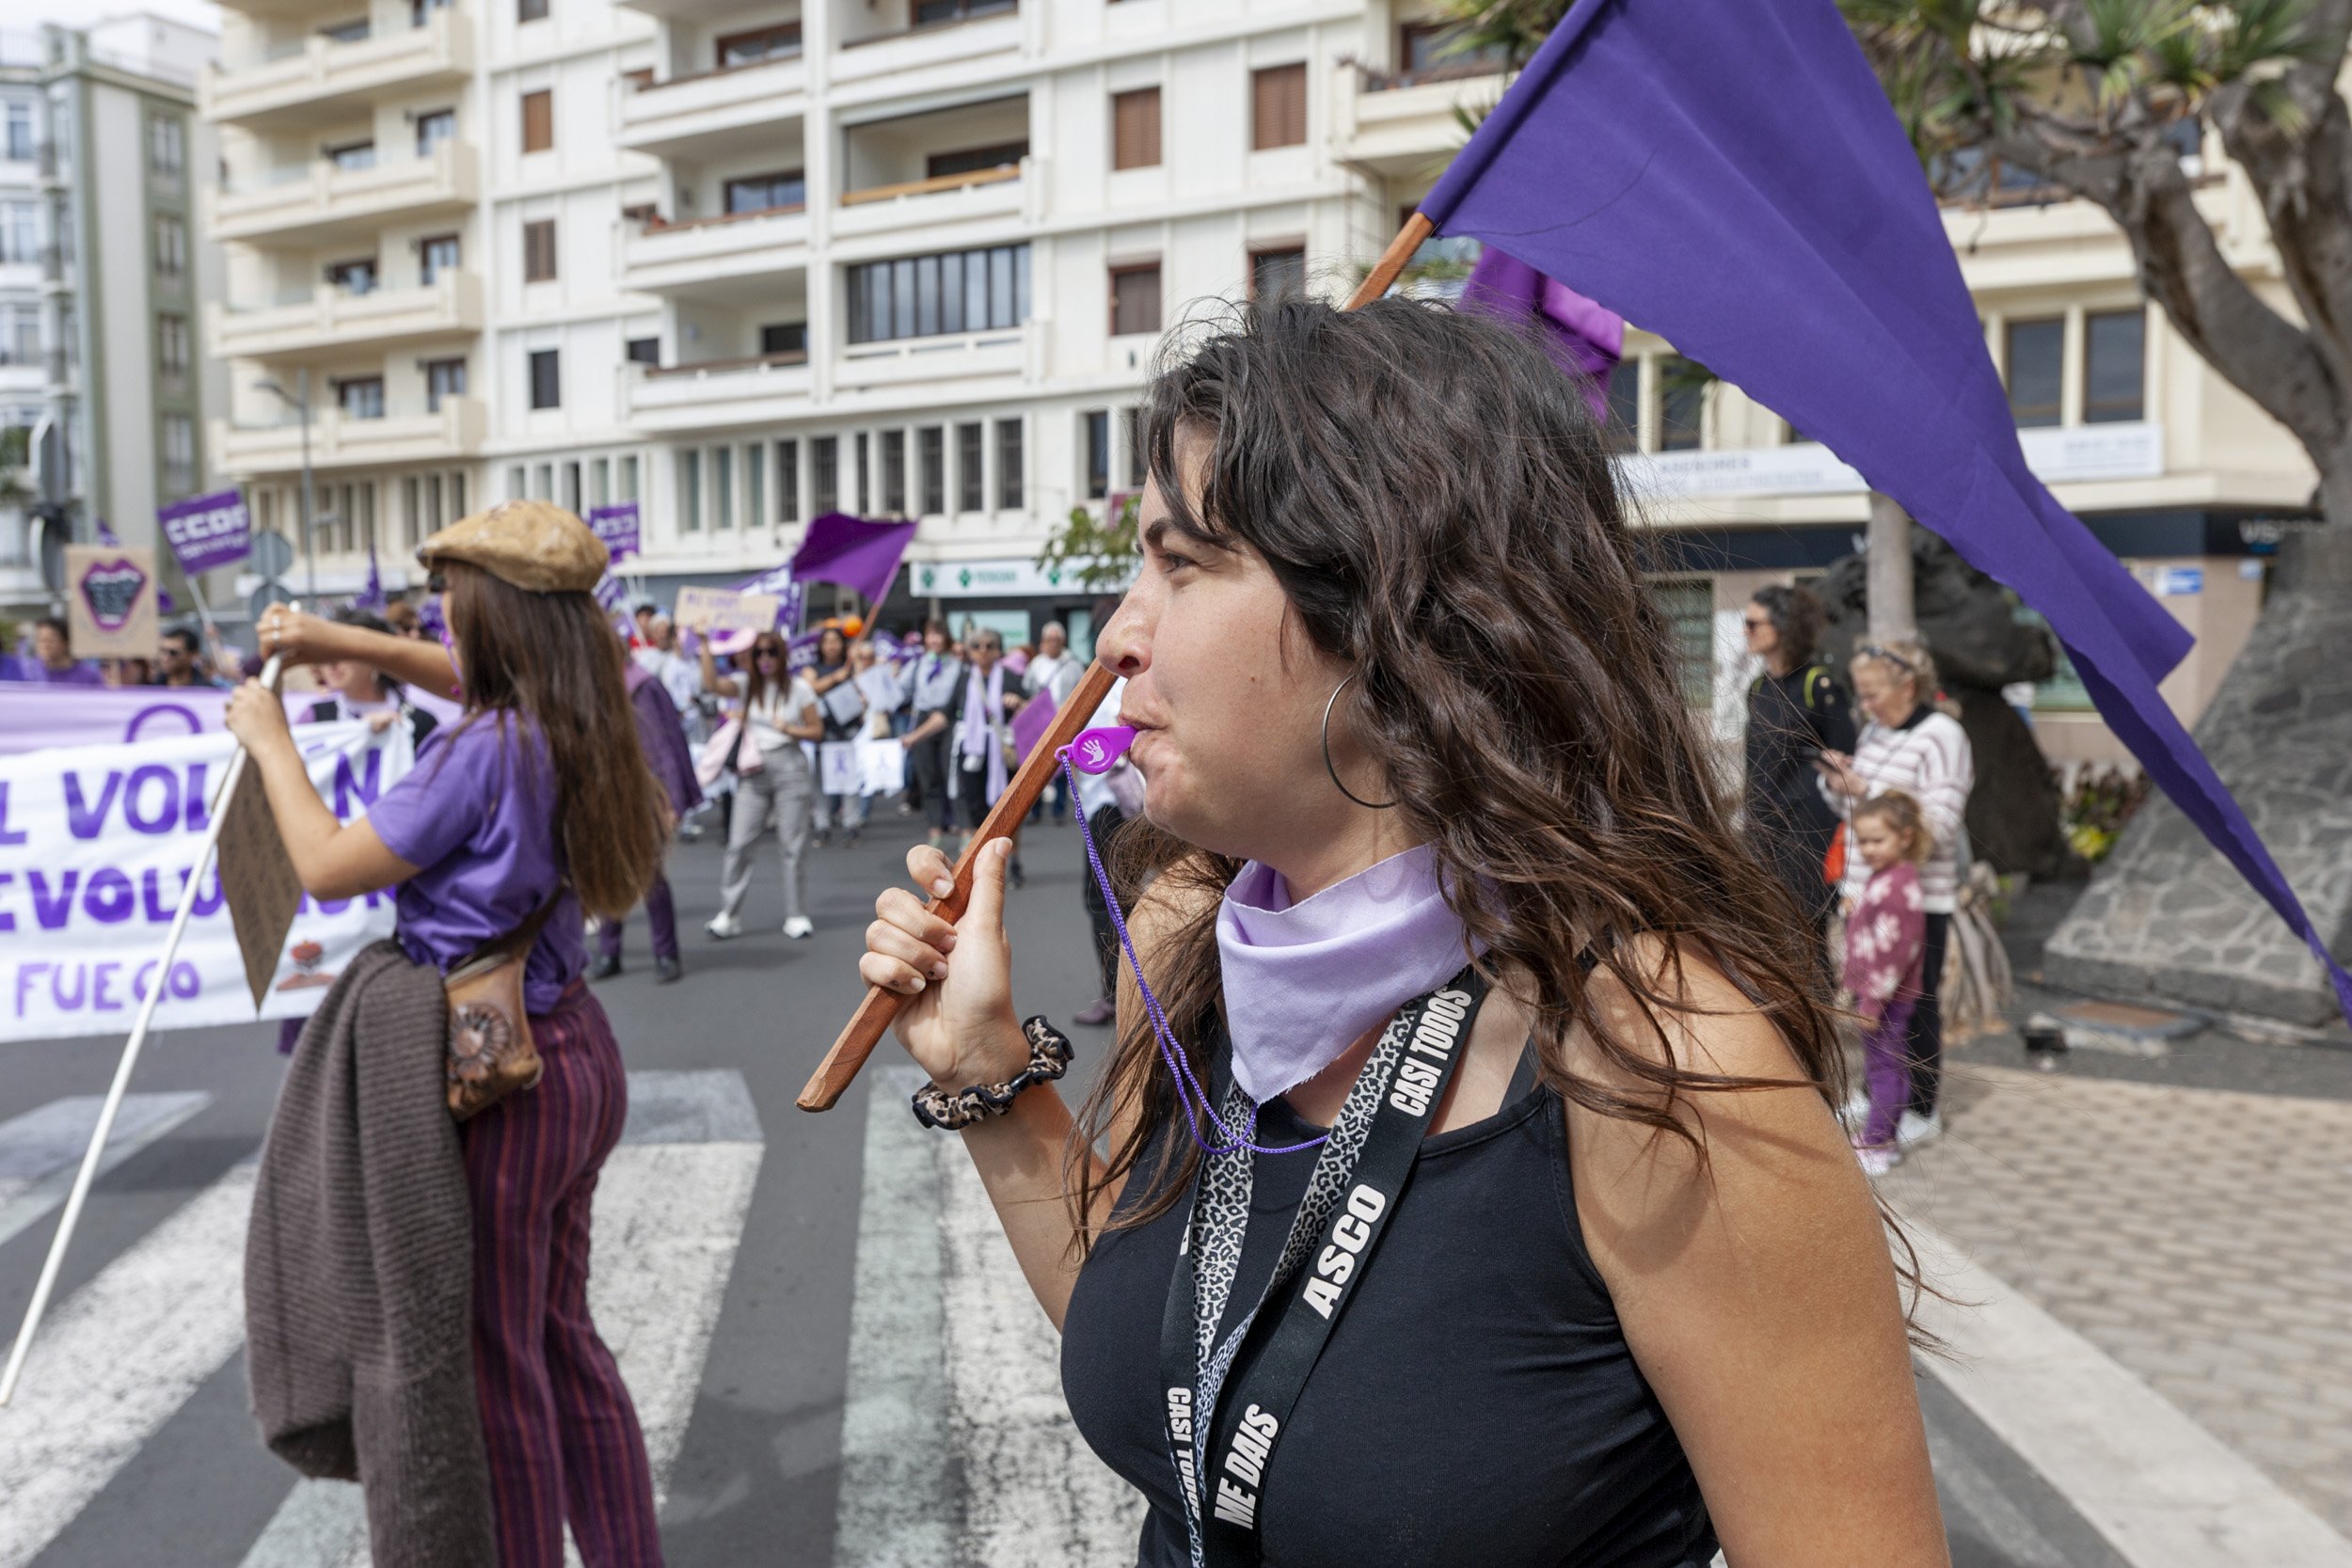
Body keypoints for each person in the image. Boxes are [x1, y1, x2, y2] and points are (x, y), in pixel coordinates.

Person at [860, 298, 1946, 1565]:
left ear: (1392, 620)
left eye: (1183, 560)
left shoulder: (1665, 1059)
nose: (1118, 635)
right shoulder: (1190, 930)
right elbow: (1187, 1367)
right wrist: (987, 1068)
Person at [226, 499, 672, 1568]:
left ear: (495, 628)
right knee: (561, 1338)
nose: (443, 627)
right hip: (570, 1047)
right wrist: (336, 642)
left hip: (498, 1069)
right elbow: (451, 672)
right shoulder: (593, 710)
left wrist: (269, 738)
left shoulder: (482, 746)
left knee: (498, 1361)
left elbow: (329, 863)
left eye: (455, 611)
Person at [1817, 637, 1975, 1152]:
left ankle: (1922, 1108)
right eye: (1860, 695)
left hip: (1918, 897)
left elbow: (1942, 824)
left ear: (1908, 684)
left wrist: (1868, 793)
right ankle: (1877, 1092)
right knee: (1872, 1003)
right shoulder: (1876, 732)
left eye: (1873, 693)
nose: (1865, 706)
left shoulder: (1942, 735)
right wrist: (1839, 785)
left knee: (1915, 1003)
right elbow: (1861, 819)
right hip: (1864, 892)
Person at [1741, 586, 1853, 949]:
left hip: (1806, 833)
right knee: (1768, 935)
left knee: (1807, 937)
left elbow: (1847, 761)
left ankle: (1818, 1006)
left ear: (1784, 626)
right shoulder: (1758, 688)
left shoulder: (1818, 684)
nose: (1746, 630)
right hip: (1763, 829)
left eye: (1754, 622)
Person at [700, 628, 823, 940]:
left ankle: (796, 915)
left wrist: (791, 729)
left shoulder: (799, 689)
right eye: (758, 653)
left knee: (792, 845)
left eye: (771, 652)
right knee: (739, 843)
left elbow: (816, 730)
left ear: (782, 655)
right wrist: (704, 643)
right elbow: (710, 684)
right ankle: (728, 914)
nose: (765, 658)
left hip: (790, 766)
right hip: (753, 770)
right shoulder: (745, 685)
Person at [595, 651, 701, 983]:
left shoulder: (642, 686)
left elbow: (662, 746)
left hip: (644, 795)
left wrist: (669, 800)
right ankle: (609, 952)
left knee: (649, 873)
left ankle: (666, 953)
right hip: (604, 794)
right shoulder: (594, 685)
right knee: (607, 875)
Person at [1842, 792, 1931, 1177]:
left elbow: (1894, 954)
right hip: (1879, 993)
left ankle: (1880, 1141)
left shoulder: (1897, 888)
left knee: (1885, 1069)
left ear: (1905, 838)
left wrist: (1872, 1003)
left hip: (1887, 997)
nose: (1869, 849)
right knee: (1884, 1066)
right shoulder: (1888, 879)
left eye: (1878, 840)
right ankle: (1880, 1135)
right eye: (1863, 841)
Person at [900, 626, 1025, 884]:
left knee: (1010, 811)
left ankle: (1013, 862)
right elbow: (944, 715)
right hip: (973, 751)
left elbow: (1032, 713)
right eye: (977, 646)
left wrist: (1018, 703)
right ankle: (984, 867)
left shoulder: (1010, 677)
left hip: (1002, 753)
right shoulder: (966, 680)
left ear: (998, 650)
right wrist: (914, 736)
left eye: (989, 645)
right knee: (974, 810)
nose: (983, 651)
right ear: (969, 651)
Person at [1069, 593, 1133, 1027]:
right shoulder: (1101, 681)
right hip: (1102, 801)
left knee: (1107, 900)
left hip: (1114, 804)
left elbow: (1115, 742)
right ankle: (1122, 992)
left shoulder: (1119, 684)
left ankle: (1119, 994)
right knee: (1113, 899)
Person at [299, 607, 438, 748]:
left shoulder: (422, 723)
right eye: (326, 652)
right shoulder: (313, 718)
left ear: (374, 656)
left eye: (344, 652)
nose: (332, 663)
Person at [900, 619, 961, 849]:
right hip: (923, 720)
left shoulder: (955, 664)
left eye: (938, 635)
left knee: (952, 775)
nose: (934, 640)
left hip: (948, 720)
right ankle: (935, 828)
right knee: (928, 778)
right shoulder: (918, 664)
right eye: (930, 635)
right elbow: (900, 690)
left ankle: (957, 822)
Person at [805, 625, 863, 846]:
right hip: (823, 730)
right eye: (827, 641)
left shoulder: (848, 667)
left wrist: (855, 661)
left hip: (847, 729)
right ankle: (822, 824)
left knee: (849, 779)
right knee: (820, 781)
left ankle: (851, 823)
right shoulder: (814, 668)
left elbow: (863, 686)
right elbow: (809, 688)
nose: (831, 646)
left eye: (835, 641)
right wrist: (833, 679)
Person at [1025, 621, 1083, 824]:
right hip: (1039, 721)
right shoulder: (1036, 664)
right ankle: (1035, 809)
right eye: (1049, 640)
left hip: (1062, 720)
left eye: (1056, 640)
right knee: (1036, 766)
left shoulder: (1072, 664)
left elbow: (1080, 693)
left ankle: (1059, 810)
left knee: (1060, 763)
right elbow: (1028, 689)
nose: (1052, 644)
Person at [20, 616, 103, 685]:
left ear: (65, 643)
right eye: (40, 640)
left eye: (50, 640)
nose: (44, 646)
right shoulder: (28, 673)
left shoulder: (89, 676)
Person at [155, 626, 232, 689]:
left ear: (193, 654)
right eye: (163, 651)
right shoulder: (149, 688)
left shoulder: (207, 692)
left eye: (173, 653)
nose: (165, 658)